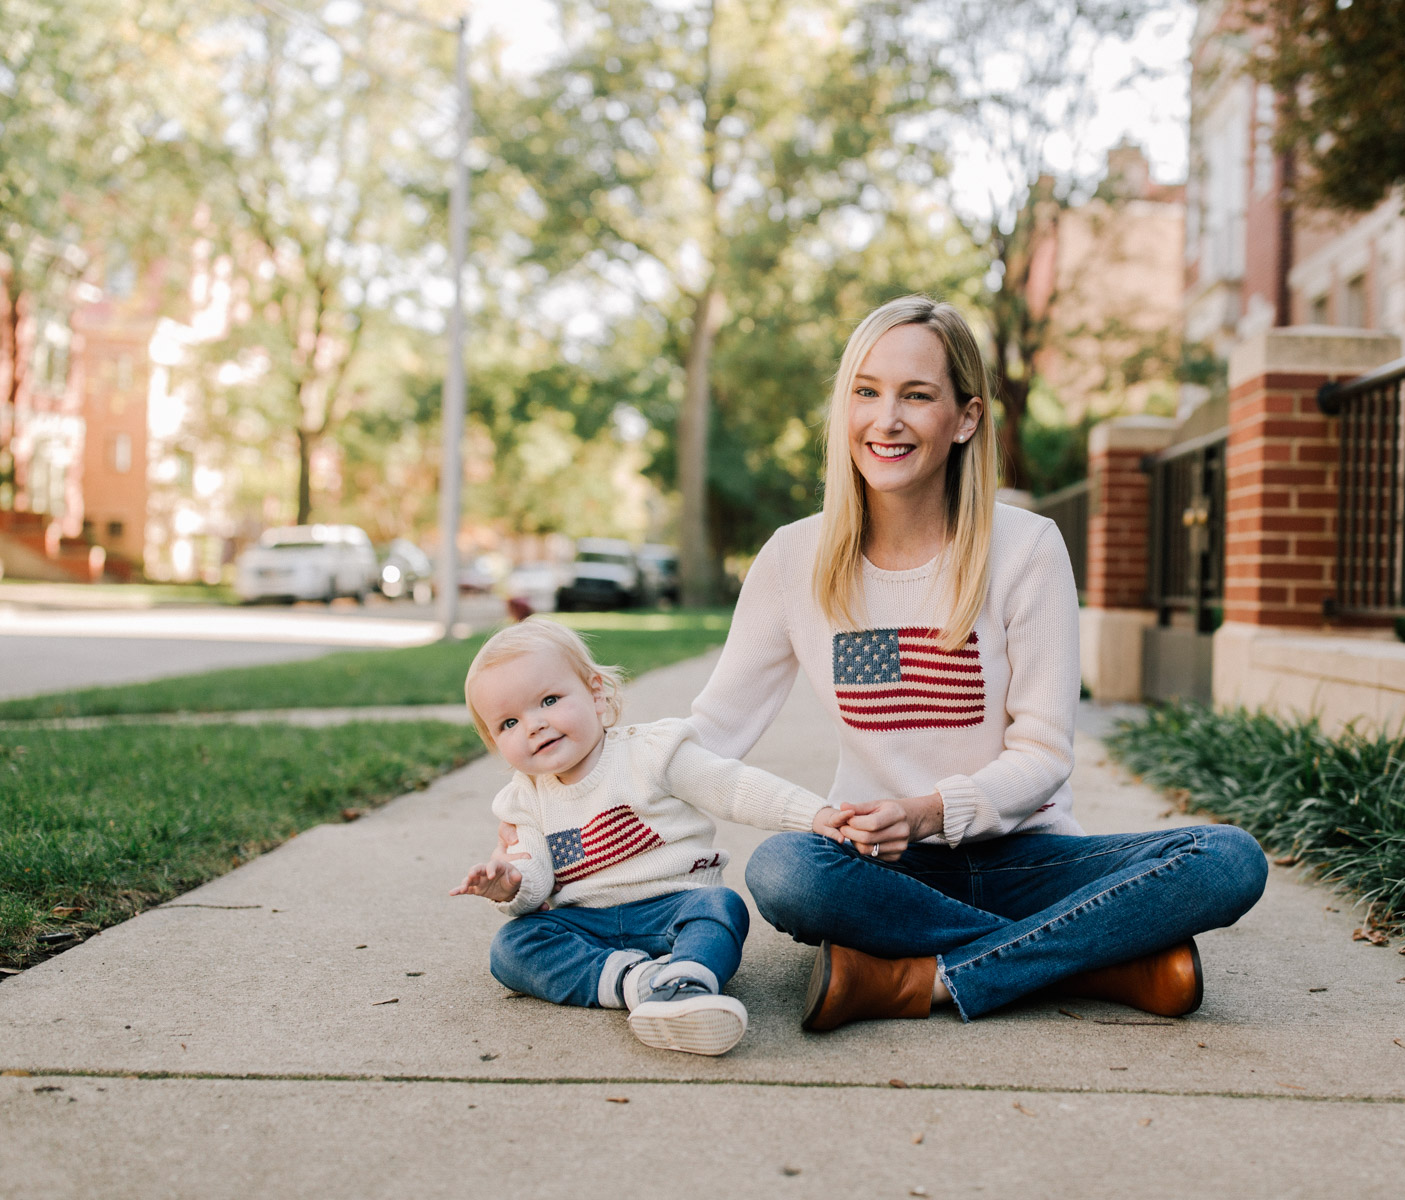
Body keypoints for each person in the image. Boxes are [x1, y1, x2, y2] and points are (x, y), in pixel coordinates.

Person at [671, 294, 1271, 1030]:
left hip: (1029, 862)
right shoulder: (794, 557)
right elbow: (711, 732)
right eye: (866, 392)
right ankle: (1105, 960)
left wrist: (926, 812)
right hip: (884, 873)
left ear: (966, 418)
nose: (885, 420)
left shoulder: (1027, 548)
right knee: (785, 872)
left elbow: (1045, 752)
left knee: (1228, 859)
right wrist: (575, 794)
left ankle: (918, 981)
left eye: (916, 396)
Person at [452, 616, 842, 1055]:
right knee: (512, 947)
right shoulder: (524, 799)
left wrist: (815, 814)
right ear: (494, 742)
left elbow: (733, 788)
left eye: (548, 700)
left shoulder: (651, 753)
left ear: (596, 694)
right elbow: (535, 879)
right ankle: (637, 984)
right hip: (589, 923)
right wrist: (510, 885)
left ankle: (689, 978)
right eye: (508, 723)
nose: (534, 725)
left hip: (672, 906)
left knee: (721, 908)